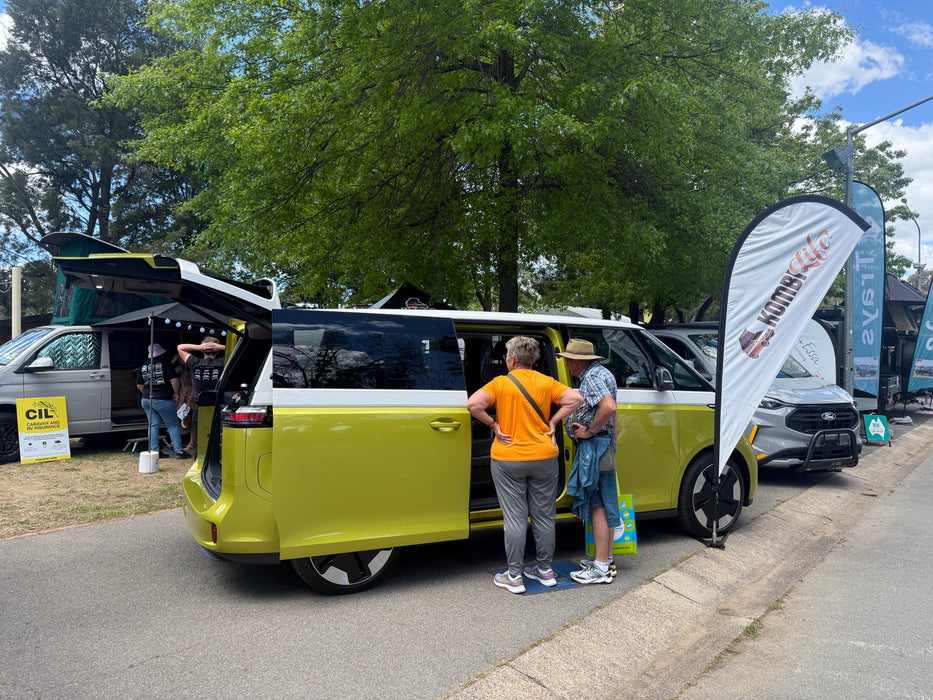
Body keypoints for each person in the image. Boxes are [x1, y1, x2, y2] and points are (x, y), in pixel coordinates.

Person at [466, 336, 583, 594]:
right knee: (544, 517)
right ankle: (545, 571)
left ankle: (515, 576)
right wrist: (553, 423)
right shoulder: (546, 382)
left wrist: (494, 426)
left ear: (511, 359)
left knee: (515, 520)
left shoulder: (500, 383)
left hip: (508, 458)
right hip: (544, 456)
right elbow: (576, 400)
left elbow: (473, 405)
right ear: (534, 360)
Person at [558, 338, 619, 585]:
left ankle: (601, 568)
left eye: (567, 360)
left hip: (595, 445)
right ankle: (606, 559)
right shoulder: (603, 373)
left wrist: (589, 432)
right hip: (604, 444)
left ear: (575, 361)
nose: (567, 365)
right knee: (606, 502)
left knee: (598, 506)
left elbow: (609, 406)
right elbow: (614, 412)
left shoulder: (591, 377)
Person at [135, 343, 191, 459]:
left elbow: (139, 385)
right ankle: (179, 451)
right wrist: (175, 393)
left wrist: (147, 393)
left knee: (153, 425)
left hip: (146, 399)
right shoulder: (166, 364)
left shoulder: (143, 366)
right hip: (164, 398)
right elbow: (174, 380)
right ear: (161, 353)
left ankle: (155, 451)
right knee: (172, 425)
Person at [177, 336, 225, 451]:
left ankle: (202, 454)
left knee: (202, 434)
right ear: (217, 351)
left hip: (201, 405)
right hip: (218, 404)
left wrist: (199, 347)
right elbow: (236, 349)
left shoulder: (195, 362)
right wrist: (220, 347)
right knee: (219, 432)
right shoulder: (223, 361)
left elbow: (180, 348)